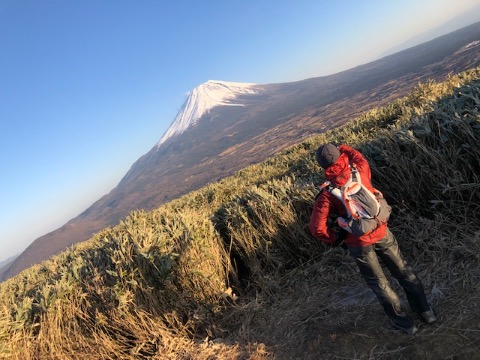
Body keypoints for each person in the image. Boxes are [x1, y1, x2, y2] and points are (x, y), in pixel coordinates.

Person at [309, 143, 436, 335]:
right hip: (381, 230)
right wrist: (344, 148)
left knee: (379, 283)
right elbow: (358, 155)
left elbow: (316, 228)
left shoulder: (327, 194)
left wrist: (335, 238)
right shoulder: (360, 168)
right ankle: (426, 311)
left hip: (358, 243)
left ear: (323, 166)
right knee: (403, 270)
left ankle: (405, 324)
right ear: (340, 155)